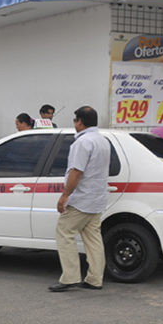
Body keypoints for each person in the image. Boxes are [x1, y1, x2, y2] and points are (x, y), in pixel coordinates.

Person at [49, 106, 110, 292]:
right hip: (97, 198)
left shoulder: (82, 143)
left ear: (80, 121)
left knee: (64, 231)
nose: (75, 124)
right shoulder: (103, 140)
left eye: (75, 120)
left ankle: (70, 277)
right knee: (93, 239)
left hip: (82, 199)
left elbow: (76, 171)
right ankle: (95, 279)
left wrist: (65, 195)